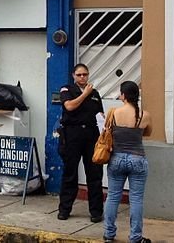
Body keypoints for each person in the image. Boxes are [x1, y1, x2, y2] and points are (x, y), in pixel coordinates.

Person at [103, 81, 152, 243]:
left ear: (123, 95)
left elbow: (106, 132)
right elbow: (148, 132)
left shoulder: (113, 113)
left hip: (116, 159)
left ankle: (109, 234)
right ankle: (135, 237)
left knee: (112, 197)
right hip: (138, 158)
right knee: (136, 199)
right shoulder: (145, 115)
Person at [57, 63, 104, 222]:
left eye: (85, 74)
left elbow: (100, 115)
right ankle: (64, 210)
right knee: (70, 174)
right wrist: (85, 94)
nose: (82, 77)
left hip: (91, 136)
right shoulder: (67, 90)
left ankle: (96, 212)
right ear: (73, 76)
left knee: (95, 174)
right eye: (79, 75)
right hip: (72, 135)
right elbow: (69, 107)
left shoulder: (95, 94)